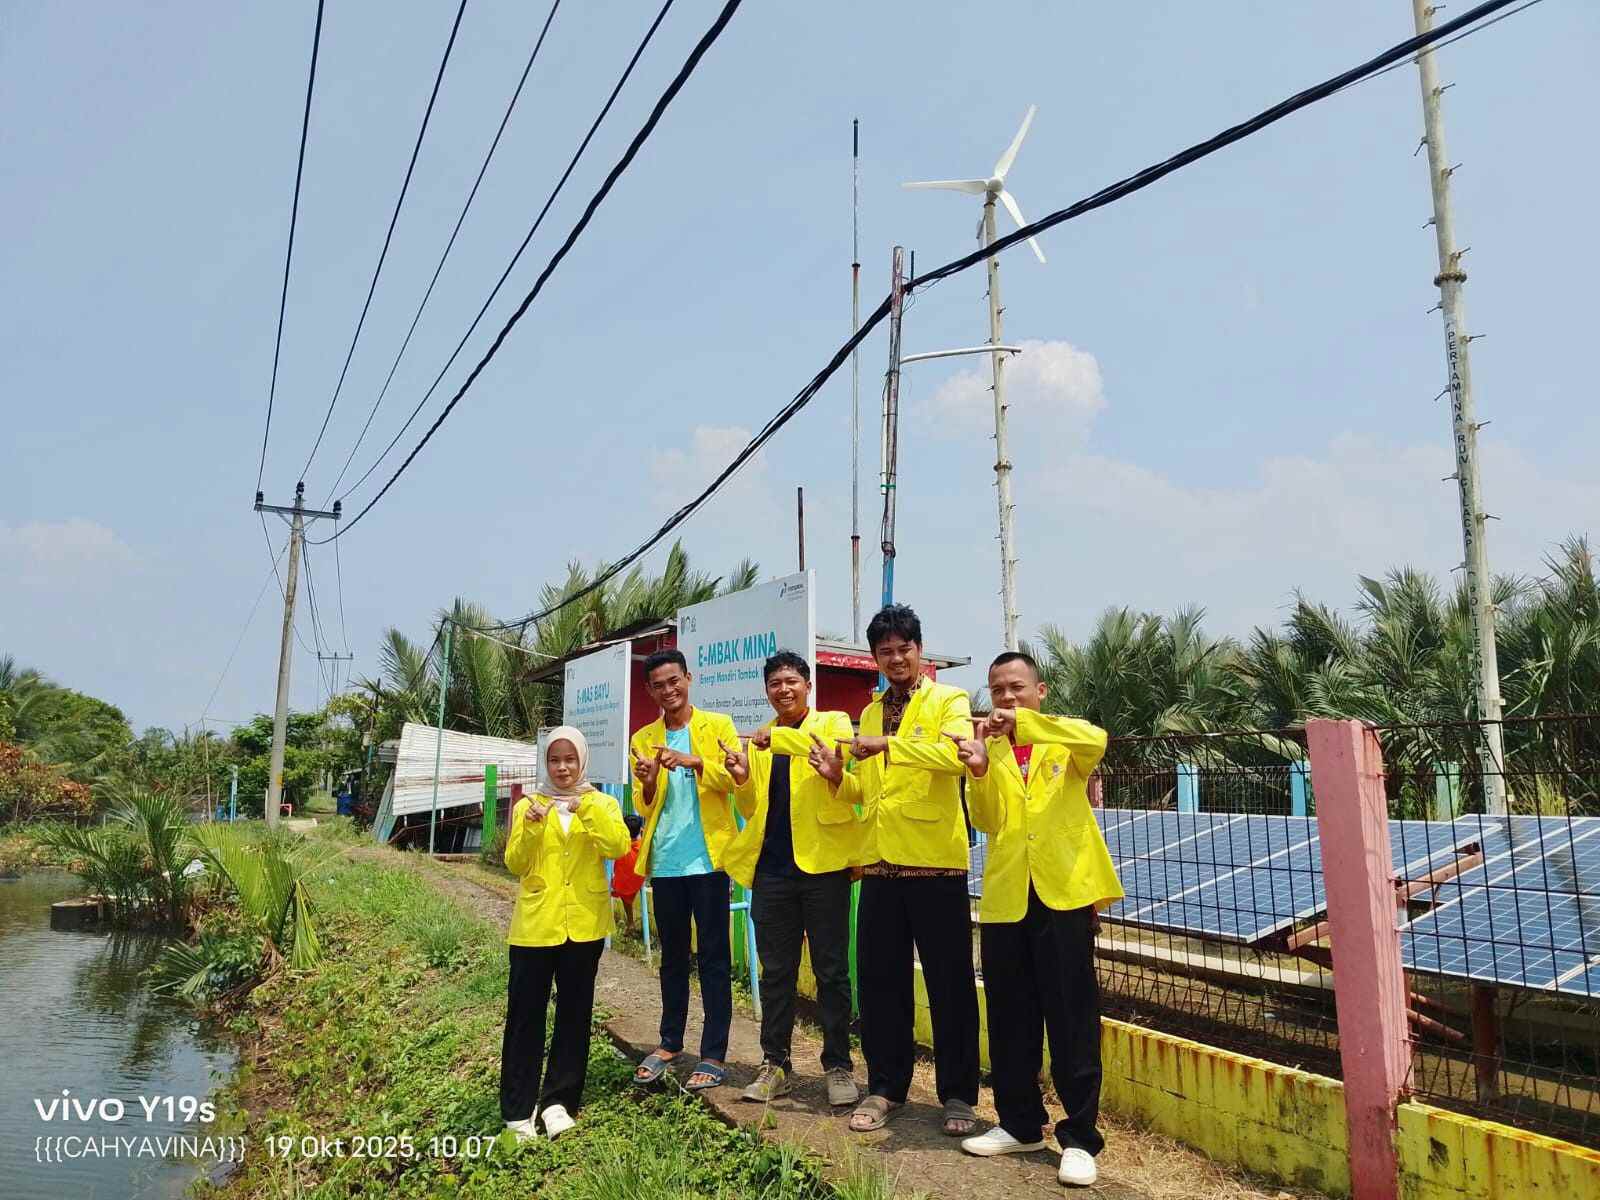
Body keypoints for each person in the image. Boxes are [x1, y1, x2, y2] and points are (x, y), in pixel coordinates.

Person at [948, 651, 1119, 1188]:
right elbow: (987, 819)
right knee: (1009, 1016)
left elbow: (1097, 739)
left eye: (1016, 687)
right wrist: (978, 770)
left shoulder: (1063, 737)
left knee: (1072, 1018)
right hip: (1007, 897)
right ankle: (1020, 1123)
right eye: (997, 689)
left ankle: (1080, 1138)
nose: (1006, 697)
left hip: (1063, 894)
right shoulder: (990, 748)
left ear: (1040, 691)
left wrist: (1025, 725)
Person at [813, 603, 981, 1137]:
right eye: (885, 651)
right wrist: (838, 776)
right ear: (874, 657)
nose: (896, 658)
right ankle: (886, 1087)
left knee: (950, 984)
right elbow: (869, 790)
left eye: (904, 648)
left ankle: (958, 1095)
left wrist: (887, 744)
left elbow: (954, 757)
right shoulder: (868, 713)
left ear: (919, 650)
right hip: (880, 864)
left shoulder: (949, 700)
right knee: (880, 983)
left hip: (935, 863)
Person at [718, 650, 868, 1109]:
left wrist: (778, 738)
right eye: (774, 684)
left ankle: (838, 1066)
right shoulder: (761, 742)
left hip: (824, 868)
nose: (783, 690)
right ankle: (775, 1065)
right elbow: (751, 809)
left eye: (791, 681)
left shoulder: (831, 723)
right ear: (767, 691)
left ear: (808, 686)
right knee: (776, 972)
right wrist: (742, 778)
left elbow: (836, 761)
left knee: (831, 972)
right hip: (773, 871)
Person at [499, 726, 631, 1142]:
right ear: (546, 762)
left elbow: (617, 846)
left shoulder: (603, 803)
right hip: (535, 926)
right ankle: (518, 1111)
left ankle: (558, 1103)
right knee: (525, 1017)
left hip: (584, 925)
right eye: (555, 760)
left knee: (575, 1015)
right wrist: (532, 827)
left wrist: (584, 809)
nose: (562, 767)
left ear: (582, 761)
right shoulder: (528, 805)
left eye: (570, 759)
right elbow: (515, 862)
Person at [628, 649, 749, 1092]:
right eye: (659, 685)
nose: (668, 690)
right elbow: (643, 805)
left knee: (714, 958)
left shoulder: (717, 726)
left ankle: (713, 1053)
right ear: (650, 690)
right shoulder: (643, 737)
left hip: (709, 861)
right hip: (666, 863)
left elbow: (735, 781)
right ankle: (669, 1043)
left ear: (688, 679)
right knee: (673, 958)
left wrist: (696, 762)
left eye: (674, 680)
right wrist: (647, 780)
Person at [611, 813, 646, 933]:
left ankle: (630, 922)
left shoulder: (622, 847)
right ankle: (630, 923)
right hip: (638, 879)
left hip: (622, 884)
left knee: (621, 890)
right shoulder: (642, 845)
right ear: (640, 830)